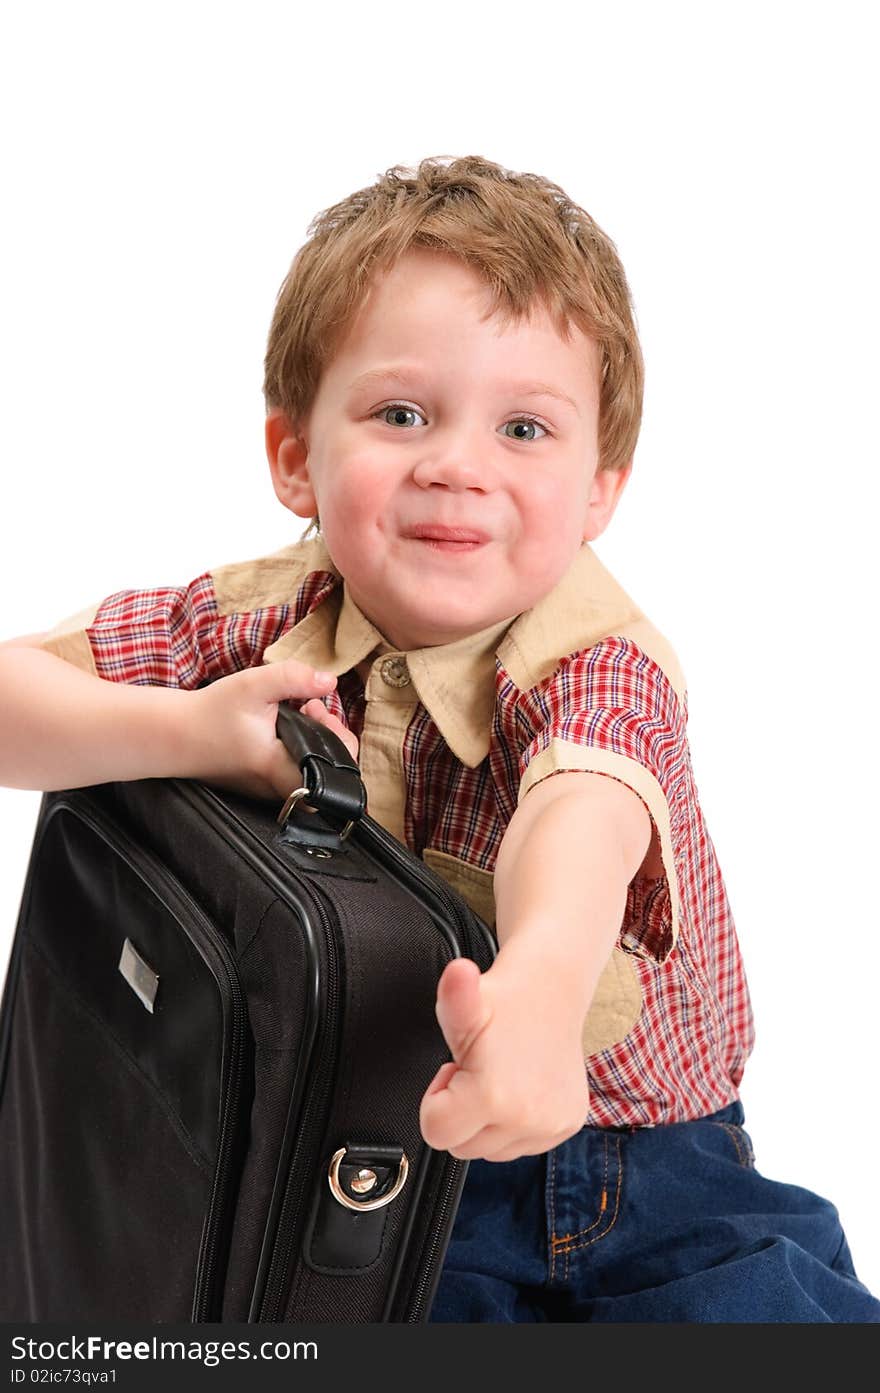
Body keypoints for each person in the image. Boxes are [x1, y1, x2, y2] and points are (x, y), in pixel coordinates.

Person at [0, 154, 876, 1323]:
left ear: (600, 487)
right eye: (401, 413)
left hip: (663, 1181)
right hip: (381, 1163)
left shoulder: (598, 661)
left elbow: (584, 816)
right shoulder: (257, 617)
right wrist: (187, 731)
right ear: (295, 457)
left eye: (524, 427)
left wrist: (544, 988)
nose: (457, 466)